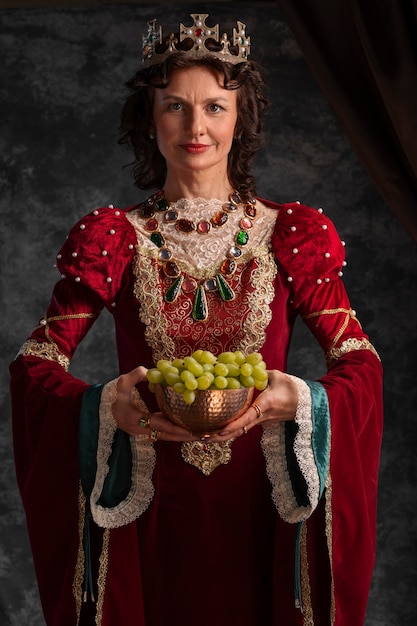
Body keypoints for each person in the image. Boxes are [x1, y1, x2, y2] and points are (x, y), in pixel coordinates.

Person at [9, 12, 383, 626]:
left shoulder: (290, 234)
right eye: (175, 107)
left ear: (241, 118)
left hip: (266, 509)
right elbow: (37, 365)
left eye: (214, 106)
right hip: (153, 512)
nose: (196, 127)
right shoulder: (115, 238)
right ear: (148, 119)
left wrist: (306, 399)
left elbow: (360, 363)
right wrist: (107, 405)